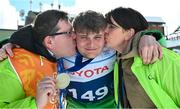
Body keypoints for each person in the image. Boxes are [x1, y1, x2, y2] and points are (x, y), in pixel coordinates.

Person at [0, 10, 162, 108]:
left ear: (104, 36)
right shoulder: (66, 51)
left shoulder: (110, 49)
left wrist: (147, 37)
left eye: (97, 37)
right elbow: (37, 35)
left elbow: (131, 39)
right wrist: (11, 42)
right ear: (75, 36)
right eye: (82, 36)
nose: (91, 44)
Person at [105, 7, 180, 108]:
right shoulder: (119, 61)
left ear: (129, 33)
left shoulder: (162, 59)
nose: (104, 30)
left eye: (111, 26)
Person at [0, 10, 77, 109]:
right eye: (69, 33)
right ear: (49, 41)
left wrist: (13, 40)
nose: (75, 36)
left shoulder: (59, 55)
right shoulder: (12, 66)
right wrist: (36, 104)